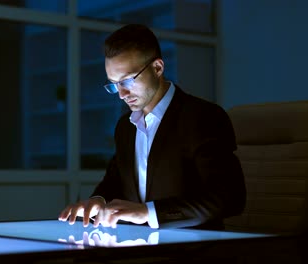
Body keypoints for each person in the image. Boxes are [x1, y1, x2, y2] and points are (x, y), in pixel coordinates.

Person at [58, 24, 245, 230]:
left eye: (127, 81)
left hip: (194, 249)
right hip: (141, 245)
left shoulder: (203, 117)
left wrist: (148, 212)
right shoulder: (125, 127)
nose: (121, 94)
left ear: (157, 68)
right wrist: (99, 200)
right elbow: (115, 180)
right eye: (114, 84)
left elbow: (229, 198)